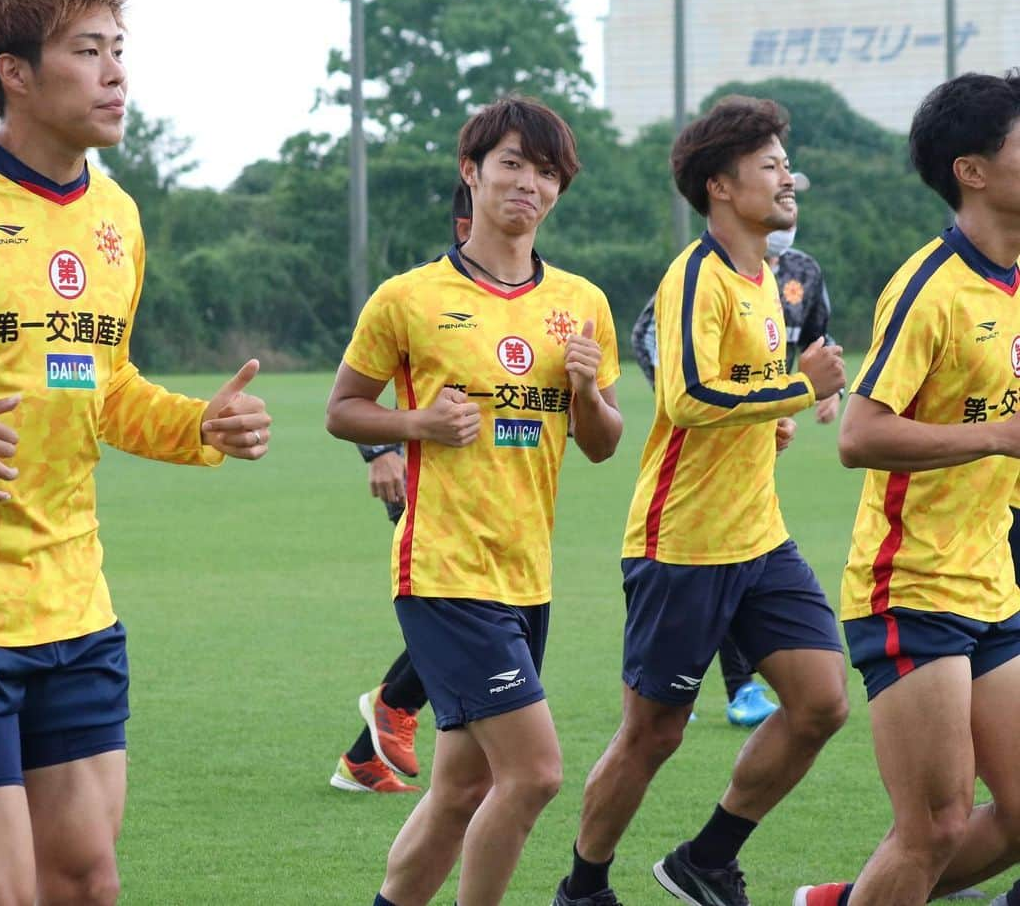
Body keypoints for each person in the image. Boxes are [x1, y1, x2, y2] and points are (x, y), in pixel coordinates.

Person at [0, 0, 272, 905]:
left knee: (84, 879)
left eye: (119, 51)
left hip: (76, 608)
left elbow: (104, 385)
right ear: (15, 72)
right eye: (88, 52)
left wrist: (201, 423)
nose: (117, 74)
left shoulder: (118, 217)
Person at [326, 96, 623, 906]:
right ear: (473, 172)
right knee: (532, 774)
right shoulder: (408, 297)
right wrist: (414, 422)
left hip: (527, 574)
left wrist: (589, 390)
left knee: (461, 787)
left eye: (548, 171)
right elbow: (342, 407)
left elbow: (601, 442)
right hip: (443, 570)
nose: (531, 183)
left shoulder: (580, 303)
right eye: (514, 164)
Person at [554, 95, 848, 906]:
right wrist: (796, 389)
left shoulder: (765, 281)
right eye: (770, 165)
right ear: (720, 185)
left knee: (822, 702)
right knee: (654, 733)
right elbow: (686, 398)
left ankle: (707, 857)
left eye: (786, 162)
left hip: (760, 538)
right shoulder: (697, 275)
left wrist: (769, 421)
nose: (788, 177)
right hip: (680, 544)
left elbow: (737, 395)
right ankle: (583, 886)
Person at [795, 71, 1020, 905]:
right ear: (974, 169)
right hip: (912, 586)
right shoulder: (930, 286)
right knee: (934, 825)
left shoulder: (1015, 279)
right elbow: (860, 433)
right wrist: (997, 435)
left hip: (992, 581)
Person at [332, 187, 474, 795]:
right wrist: (380, 451)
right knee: (461, 612)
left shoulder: (536, 295)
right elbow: (359, 388)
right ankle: (393, 708)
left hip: (506, 500)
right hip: (431, 484)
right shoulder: (421, 294)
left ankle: (366, 757)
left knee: (467, 615)